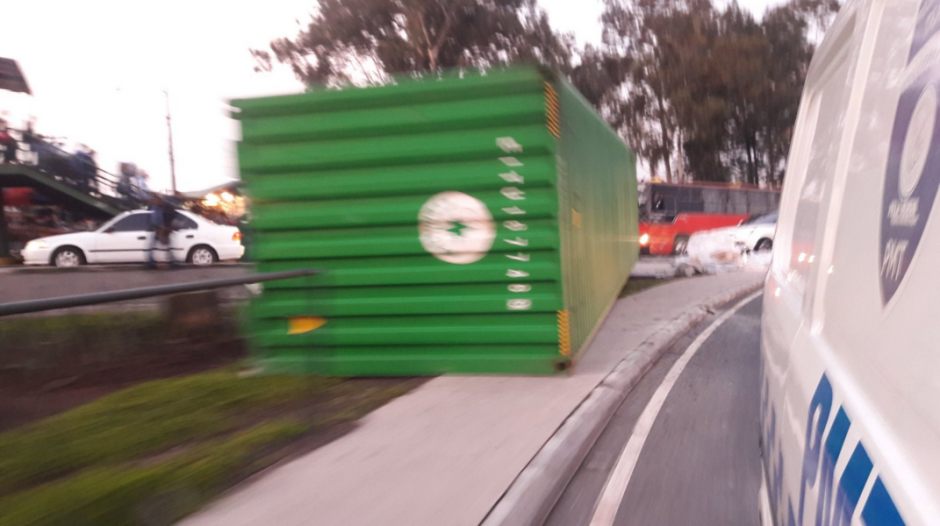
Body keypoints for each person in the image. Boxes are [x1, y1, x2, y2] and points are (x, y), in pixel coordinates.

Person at [146, 194, 179, 269]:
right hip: (156, 228)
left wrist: (167, 227)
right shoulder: (153, 207)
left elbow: (171, 217)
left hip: (164, 229)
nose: (154, 201)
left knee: (167, 245)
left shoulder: (167, 207)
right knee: (152, 245)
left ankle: (172, 261)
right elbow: (150, 216)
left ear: (161, 200)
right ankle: (151, 260)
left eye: (156, 200)